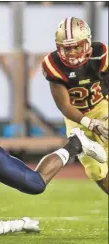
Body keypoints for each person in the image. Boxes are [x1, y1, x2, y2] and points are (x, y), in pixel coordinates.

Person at [41, 17, 108, 194]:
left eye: (77, 46)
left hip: (102, 107)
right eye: (67, 48)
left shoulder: (100, 52)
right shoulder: (53, 64)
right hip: (77, 117)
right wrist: (90, 124)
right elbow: (64, 105)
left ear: (87, 43)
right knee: (95, 170)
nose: (72, 52)